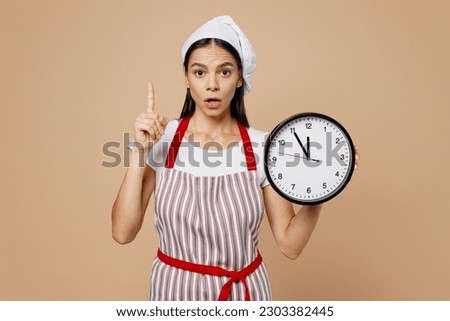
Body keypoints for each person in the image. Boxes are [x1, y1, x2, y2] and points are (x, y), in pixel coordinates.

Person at [112, 16, 357, 301]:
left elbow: (290, 245)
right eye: (200, 72)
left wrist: (323, 187)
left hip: (244, 295)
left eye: (224, 72)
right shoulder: (161, 139)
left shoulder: (264, 147)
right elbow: (123, 232)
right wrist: (138, 152)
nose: (212, 85)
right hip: (173, 294)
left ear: (240, 77)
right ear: (187, 78)